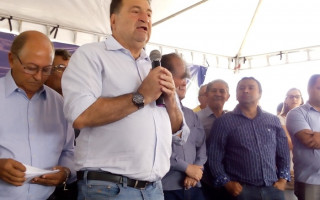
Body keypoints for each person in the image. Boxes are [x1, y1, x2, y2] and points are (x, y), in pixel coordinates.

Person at [62, 0, 189, 200]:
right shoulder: (91, 55)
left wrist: (171, 100)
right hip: (109, 189)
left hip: (155, 189)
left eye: (148, 13)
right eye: (135, 12)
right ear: (113, 21)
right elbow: (80, 114)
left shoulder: (155, 68)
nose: (144, 18)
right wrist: (141, 96)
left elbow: (180, 136)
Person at [0, 30, 75, 200]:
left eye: (47, 70)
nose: (38, 77)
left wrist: (65, 172)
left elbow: (69, 151)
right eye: (31, 68)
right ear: (12, 59)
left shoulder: (59, 104)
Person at [208, 77, 291, 200]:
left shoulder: (272, 120)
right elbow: (214, 157)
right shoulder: (224, 122)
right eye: (241, 88)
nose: (245, 91)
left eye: (251, 88)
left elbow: (283, 152)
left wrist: (283, 180)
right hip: (241, 191)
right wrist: (227, 183)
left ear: (260, 94)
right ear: (236, 95)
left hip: (273, 189)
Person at [161, 53, 207, 200]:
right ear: (162, 75)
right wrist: (187, 168)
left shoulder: (192, 115)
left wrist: (196, 171)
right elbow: (157, 149)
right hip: (166, 188)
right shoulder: (154, 113)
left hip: (194, 186)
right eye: (179, 77)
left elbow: (201, 146)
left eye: (185, 77)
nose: (184, 82)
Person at [286, 74, 320, 200]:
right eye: (319, 88)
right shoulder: (297, 113)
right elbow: (311, 140)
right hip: (310, 181)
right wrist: (314, 137)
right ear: (309, 89)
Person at [196, 79, 230, 200]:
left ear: (228, 96)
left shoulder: (231, 119)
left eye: (222, 91)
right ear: (206, 95)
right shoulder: (196, 118)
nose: (218, 94)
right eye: (214, 91)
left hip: (230, 178)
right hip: (204, 178)